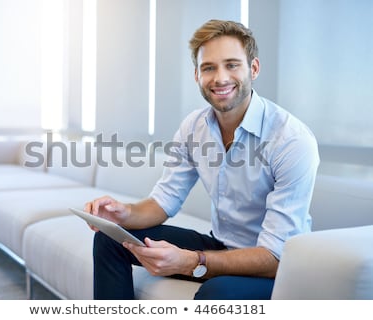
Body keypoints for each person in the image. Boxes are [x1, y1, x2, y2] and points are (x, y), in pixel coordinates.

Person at [84, 19, 319, 300]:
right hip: (222, 245)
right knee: (110, 240)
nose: (220, 78)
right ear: (197, 75)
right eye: (209, 67)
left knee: (216, 291)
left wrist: (193, 260)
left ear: (253, 69)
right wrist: (124, 213)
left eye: (232, 65)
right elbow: (163, 201)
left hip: (277, 266)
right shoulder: (194, 127)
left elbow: (273, 254)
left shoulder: (291, 139)